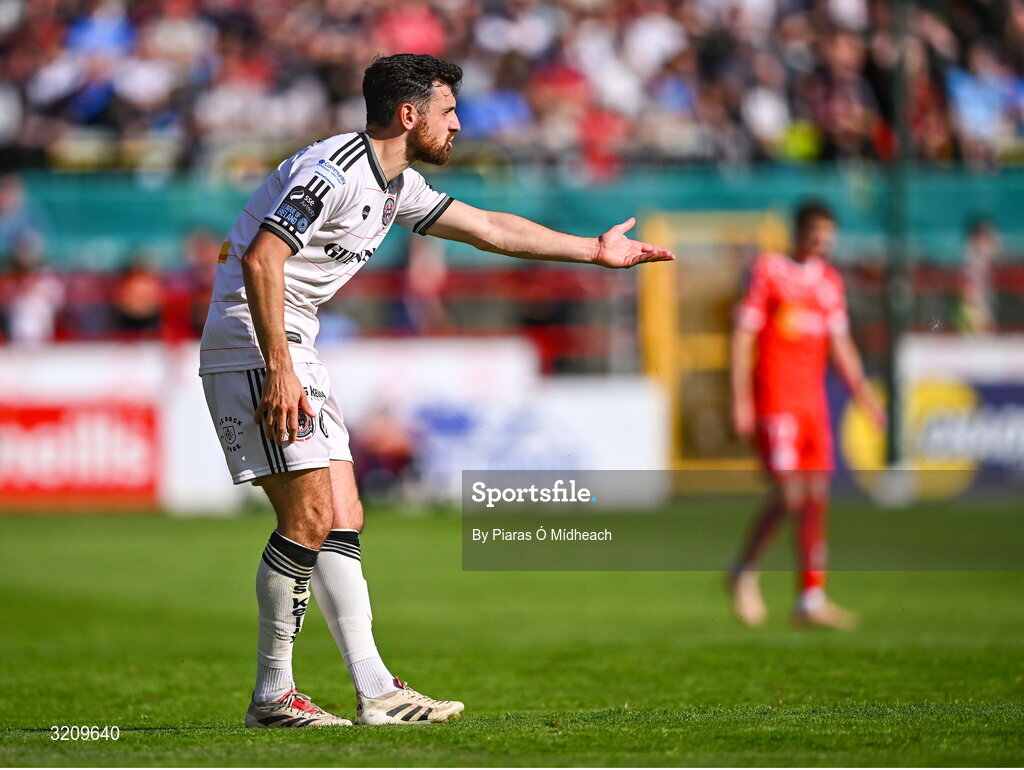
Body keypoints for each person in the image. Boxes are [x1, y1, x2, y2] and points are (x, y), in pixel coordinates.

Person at [198, 53, 674, 729]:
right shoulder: (331, 170)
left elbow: (489, 228)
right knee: (305, 520)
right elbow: (261, 257)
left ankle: (376, 691)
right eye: (449, 111)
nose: (459, 125)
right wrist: (278, 365)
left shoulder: (395, 185)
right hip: (258, 340)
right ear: (409, 113)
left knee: (344, 515)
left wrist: (593, 251)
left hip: (293, 343)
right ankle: (273, 696)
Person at [728, 200, 884, 631]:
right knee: (790, 495)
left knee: (817, 495)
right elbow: (743, 337)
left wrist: (865, 397)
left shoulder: (830, 282)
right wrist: (740, 398)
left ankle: (810, 599)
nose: (823, 241)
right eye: (816, 231)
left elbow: (842, 345)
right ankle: (744, 570)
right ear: (799, 231)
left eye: (828, 233)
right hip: (775, 399)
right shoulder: (768, 271)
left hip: (812, 403)